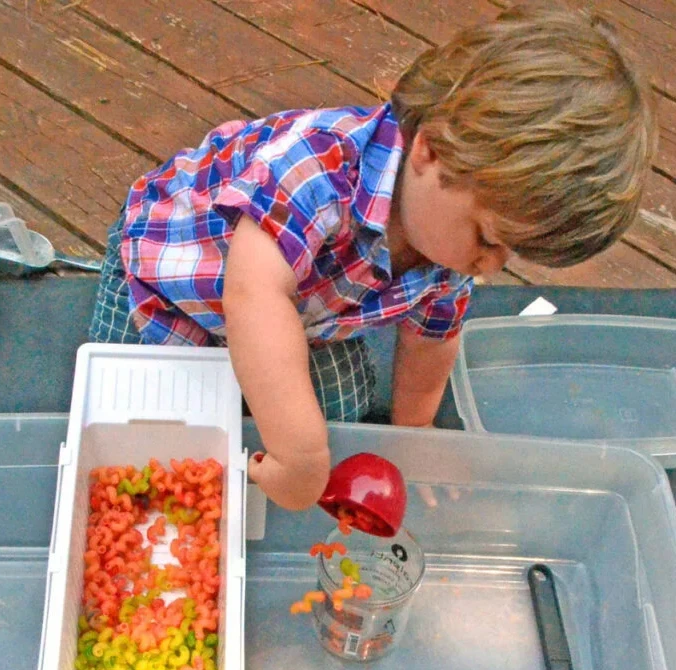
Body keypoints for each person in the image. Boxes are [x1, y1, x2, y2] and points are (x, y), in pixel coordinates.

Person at [88, 1, 656, 511]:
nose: (490, 265)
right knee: (133, 428)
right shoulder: (315, 168)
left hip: (304, 314)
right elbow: (253, 296)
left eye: (511, 252)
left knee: (345, 408)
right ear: (430, 150)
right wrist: (301, 456)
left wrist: (416, 432)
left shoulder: (450, 234)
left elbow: (432, 339)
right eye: (488, 239)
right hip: (170, 285)